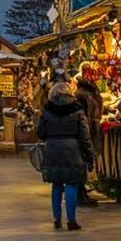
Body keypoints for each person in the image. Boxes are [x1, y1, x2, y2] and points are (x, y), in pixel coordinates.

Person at [37, 81, 93, 231]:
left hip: (53, 149)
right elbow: (84, 136)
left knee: (56, 184)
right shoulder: (77, 110)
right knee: (71, 183)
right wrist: (89, 154)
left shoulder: (46, 110)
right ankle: (71, 220)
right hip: (72, 149)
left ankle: (56, 218)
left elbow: (40, 133)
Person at [74, 74, 103, 207]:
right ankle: (80, 194)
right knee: (83, 161)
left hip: (87, 129)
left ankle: (81, 192)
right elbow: (85, 115)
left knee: (84, 161)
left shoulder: (84, 94)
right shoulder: (83, 95)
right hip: (86, 131)